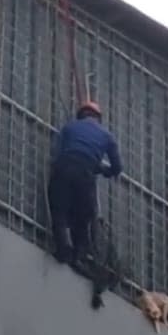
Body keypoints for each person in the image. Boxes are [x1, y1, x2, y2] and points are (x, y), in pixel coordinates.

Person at [48, 100, 122, 265]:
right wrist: (103, 170)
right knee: (82, 216)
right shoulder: (107, 136)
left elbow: (57, 153)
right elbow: (117, 167)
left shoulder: (69, 127)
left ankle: (63, 248)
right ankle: (78, 256)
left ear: (81, 115)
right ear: (98, 117)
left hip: (64, 168)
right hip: (86, 173)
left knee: (59, 209)